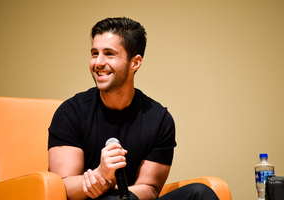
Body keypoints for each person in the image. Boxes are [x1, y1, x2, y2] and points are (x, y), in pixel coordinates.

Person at [48, 17, 219, 200]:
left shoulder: (159, 120)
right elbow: (63, 188)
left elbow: (150, 189)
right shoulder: (70, 112)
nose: (98, 62)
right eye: (94, 53)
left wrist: (119, 194)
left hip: (131, 198)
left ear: (135, 62)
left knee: (200, 193)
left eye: (109, 53)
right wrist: (101, 175)